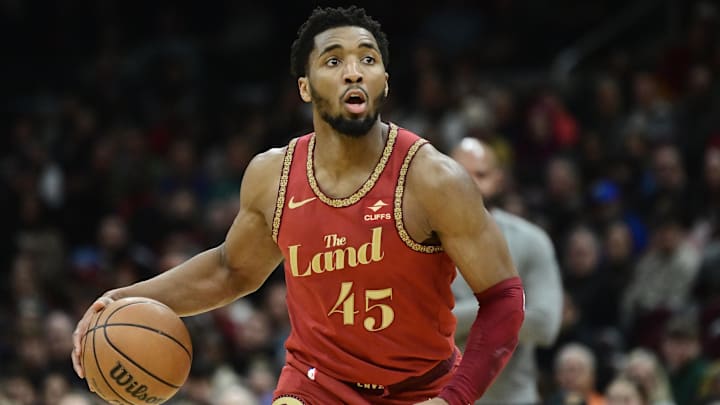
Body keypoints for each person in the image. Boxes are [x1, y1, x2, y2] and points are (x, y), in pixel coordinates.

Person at [70, 6, 524, 405]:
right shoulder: (273, 176)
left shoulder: (432, 179)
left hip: (420, 388)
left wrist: (453, 400)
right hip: (316, 386)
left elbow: (504, 300)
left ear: (384, 80)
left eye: (368, 59)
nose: (354, 71)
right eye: (334, 60)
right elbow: (232, 270)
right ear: (305, 88)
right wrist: (125, 297)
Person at [451, 137, 563, 404]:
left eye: (479, 174)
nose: (468, 182)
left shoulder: (531, 240)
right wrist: (503, 310)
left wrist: (458, 318)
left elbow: (544, 325)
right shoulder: (417, 242)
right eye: (458, 172)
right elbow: (417, 330)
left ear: (498, 180)